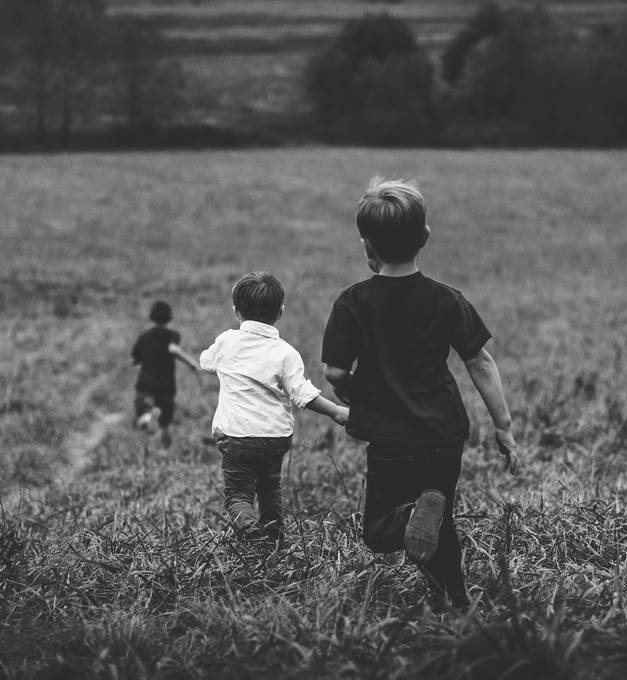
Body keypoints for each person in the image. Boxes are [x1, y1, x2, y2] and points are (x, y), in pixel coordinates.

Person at [321, 177, 518, 610]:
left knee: (379, 529)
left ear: (366, 244)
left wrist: (349, 390)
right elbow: (480, 362)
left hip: (391, 438)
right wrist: (503, 426)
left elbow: (335, 370)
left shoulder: (354, 302)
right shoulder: (447, 300)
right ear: (424, 238)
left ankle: (411, 518)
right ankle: (454, 602)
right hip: (444, 433)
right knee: (438, 520)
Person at [200, 272, 349, 540]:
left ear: (236, 312)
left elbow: (206, 361)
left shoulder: (226, 342)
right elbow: (302, 393)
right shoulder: (286, 353)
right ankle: (274, 538)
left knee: (238, 494)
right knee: (270, 488)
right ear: (280, 311)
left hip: (236, 437)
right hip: (274, 438)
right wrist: (336, 411)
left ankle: (248, 528)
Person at [131, 300, 199, 448]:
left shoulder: (144, 337)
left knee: (142, 411)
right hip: (166, 385)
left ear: (152, 317)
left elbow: (135, 359)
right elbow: (173, 349)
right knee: (166, 422)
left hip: (146, 383)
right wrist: (191, 363)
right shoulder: (172, 334)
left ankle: (148, 415)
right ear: (169, 317)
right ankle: (165, 448)